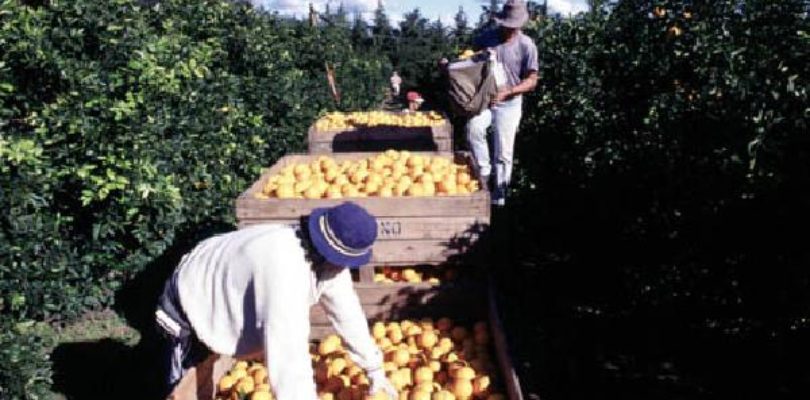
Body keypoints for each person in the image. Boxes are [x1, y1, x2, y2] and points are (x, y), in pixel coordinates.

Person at [155, 202, 397, 400]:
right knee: (182, 389)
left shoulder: (326, 260)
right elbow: (288, 357)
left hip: (225, 287)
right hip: (192, 296)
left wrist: (374, 370)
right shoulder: (284, 268)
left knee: (205, 380)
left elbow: (347, 314)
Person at [467, 0, 539, 206]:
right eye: (505, 25)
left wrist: (511, 91)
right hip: (487, 100)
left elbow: (532, 80)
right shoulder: (487, 38)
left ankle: (500, 198)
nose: (507, 29)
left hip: (510, 104)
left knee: (504, 152)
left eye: (512, 26)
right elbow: (470, 59)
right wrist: (452, 65)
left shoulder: (527, 45)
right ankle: (484, 174)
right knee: (473, 129)